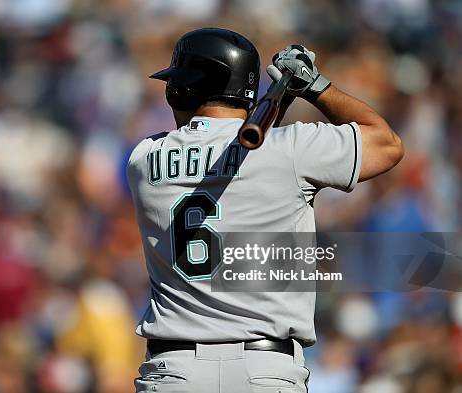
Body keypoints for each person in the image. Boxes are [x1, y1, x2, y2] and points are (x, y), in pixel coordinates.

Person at [127, 27, 403, 393]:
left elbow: (226, 158)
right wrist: (315, 86)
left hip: (176, 371)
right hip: (265, 369)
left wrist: (278, 106)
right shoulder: (290, 150)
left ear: (184, 88)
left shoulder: (144, 159)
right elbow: (386, 144)